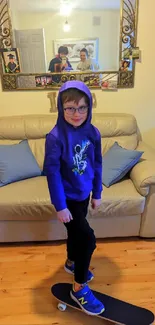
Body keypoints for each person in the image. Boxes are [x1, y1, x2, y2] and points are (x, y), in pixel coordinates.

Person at [43, 80, 105, 316]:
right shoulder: (55, 137)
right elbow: (52, 172)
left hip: (83, 194)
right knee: (87, 239)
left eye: (82, 108)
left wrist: (97, 193)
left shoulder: (93, 132)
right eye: (70, 108)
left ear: (89, 108)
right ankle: (79, 288)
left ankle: (71, 262)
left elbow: (97, 164)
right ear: (61, 108)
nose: (76, 113)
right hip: (66, 198)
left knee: (75, 235)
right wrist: (59, 206)